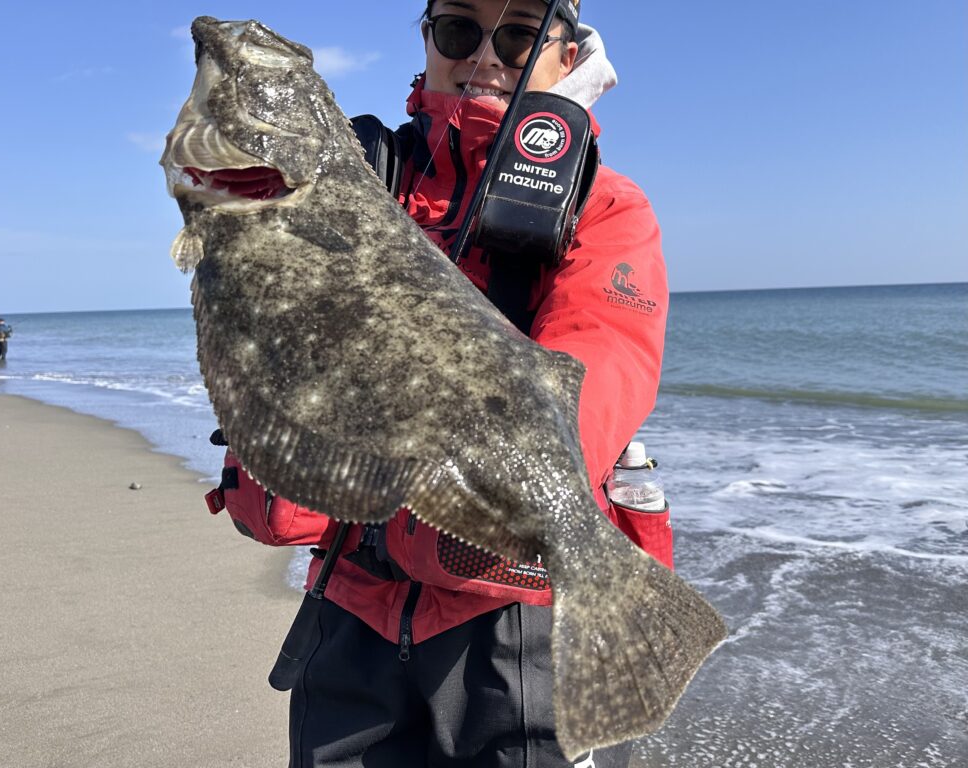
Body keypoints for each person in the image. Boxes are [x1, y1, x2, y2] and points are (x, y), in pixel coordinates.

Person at [211, 1, 672, 765]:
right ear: (426, 38)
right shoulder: (355, 178)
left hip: (520, 621)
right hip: (350, 605)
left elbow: (597, 374)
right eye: (458, 29)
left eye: (518, 37)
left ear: (567, 54)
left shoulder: (605, 205)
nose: (484, 58)